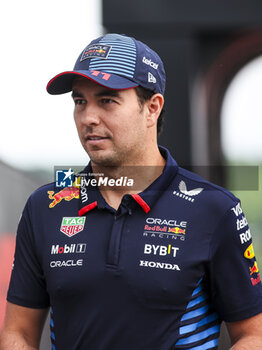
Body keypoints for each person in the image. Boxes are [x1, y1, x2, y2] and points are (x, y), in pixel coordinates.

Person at [0, 33, 262, 350]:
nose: (88, 118)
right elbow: (19, 333)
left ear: (152, 108)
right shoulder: (46, 206)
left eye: (107, 100)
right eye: (80, 101)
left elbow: (253, 334)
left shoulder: (214, 209)